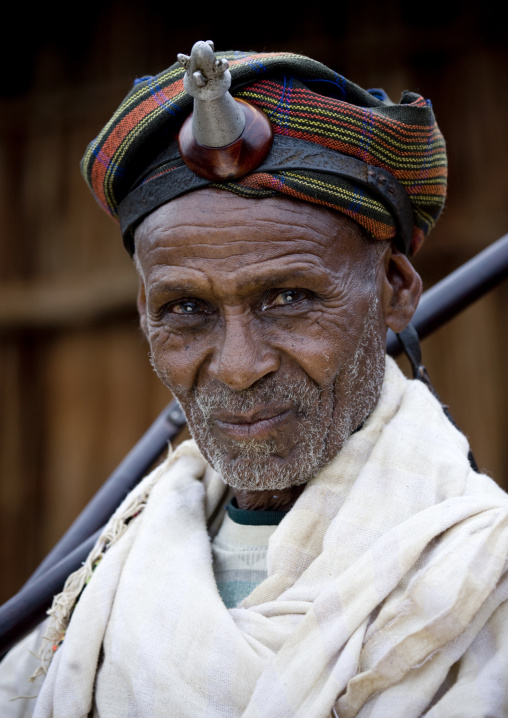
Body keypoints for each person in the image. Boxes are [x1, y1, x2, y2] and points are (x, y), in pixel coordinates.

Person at [2, 41, 508, 718]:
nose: (240, 367)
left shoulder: (485, 577)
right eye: (186, 309)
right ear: (145, 317)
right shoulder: (94, 591)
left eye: (290, 298)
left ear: (394, 291)